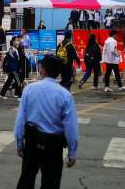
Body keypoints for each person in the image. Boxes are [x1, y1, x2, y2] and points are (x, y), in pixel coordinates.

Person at [14, 54, 78, 189]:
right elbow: (71, 128)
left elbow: (21, 119)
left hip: (32, 143)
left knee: (26, 180)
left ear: (43, 70)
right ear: (58, 72)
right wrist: (72, 153)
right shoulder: (65, 95)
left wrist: (20, 143)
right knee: (51, 183)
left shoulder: (29, 89)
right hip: (53, 146)